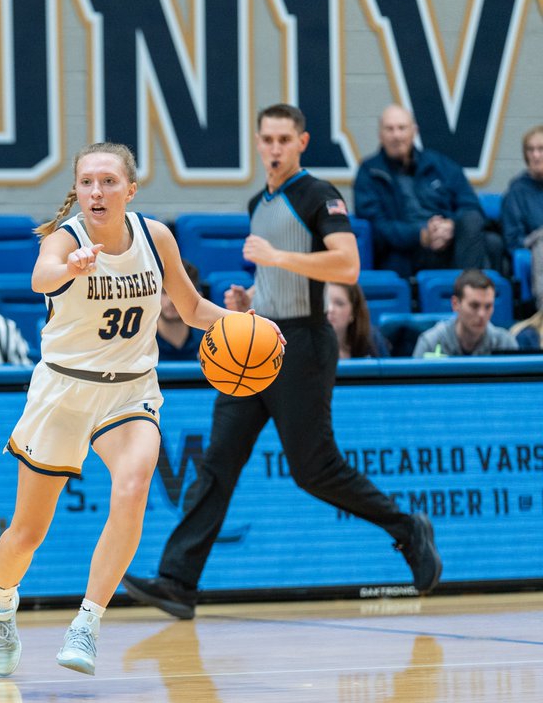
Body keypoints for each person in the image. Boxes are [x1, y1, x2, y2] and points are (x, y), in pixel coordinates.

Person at [122, 104, 442, 621]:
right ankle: (177, 581)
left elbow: (348, 264)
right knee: (218, 462)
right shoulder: (259, 202)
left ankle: (407, 528)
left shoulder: (318, 194)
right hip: (259, 338)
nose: (274, 148)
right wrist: (250, 297)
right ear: (258, 142)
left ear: (302, 142)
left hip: (304, 344)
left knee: (314, 470)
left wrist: (276, 258)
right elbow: (277, 278)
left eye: (284, 140)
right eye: (267, 139)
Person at [0, 142, 270, 677]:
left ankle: (87, 623)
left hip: (130, 391)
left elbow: (191, 308)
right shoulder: (63, 240)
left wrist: (247, 324)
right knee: (27, 533)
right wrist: (69, 268)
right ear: (77, 191)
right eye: (87, 182)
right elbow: (40, 279)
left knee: (134, 485)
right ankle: (1, 602)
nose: (97, 191)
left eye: (109, 181)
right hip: (64, 392)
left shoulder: (155, 237)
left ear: (130, 190)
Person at [354, 105, 503, 278]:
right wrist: (421, 234)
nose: (396, 135)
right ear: (380, 134)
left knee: (488, 238)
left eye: (402, 128)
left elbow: (470, 204)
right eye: (390, 129)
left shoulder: (440, 165)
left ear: (414, 131)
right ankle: (467, 288)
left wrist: (451, 226)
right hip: (406, 250)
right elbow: (377, 225)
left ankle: (467, 288)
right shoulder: (369, 172)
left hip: (450, 242)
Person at [412, 269, 518, 358]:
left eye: (488, 306)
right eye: (474, 306)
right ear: (455, 304)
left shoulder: (506, 343)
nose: (482, 314)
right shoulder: (430, 343)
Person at [501, 124, 543, 310]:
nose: (536, 155)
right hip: (535, 250)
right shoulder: (517, 190)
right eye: (531, 150)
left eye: (541, 149)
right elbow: (512, 240)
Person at [156, 259, 205, 361]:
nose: (171, 300)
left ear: (198, 297)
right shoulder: (140, 342)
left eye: (181, 293)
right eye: (164, 291)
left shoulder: (209, 341)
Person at [325, 282, 389, 358]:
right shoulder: (312, 345)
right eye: (325, 302)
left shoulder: (372, 341)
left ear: (353, 312)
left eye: (339, 303)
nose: (330, 309)